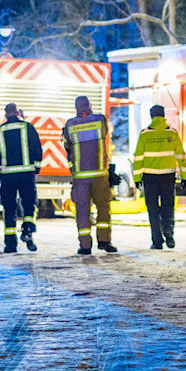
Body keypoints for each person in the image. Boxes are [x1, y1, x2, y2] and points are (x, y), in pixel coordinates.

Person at [63, 95, 116, 255]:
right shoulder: (100, 120)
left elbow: (68, 146)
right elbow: (106, 132)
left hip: (80, 177)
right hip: (100, 174)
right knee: (103, 207)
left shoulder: (70, 124)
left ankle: (85, 246)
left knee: (82, 210)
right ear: (89, 105)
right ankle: (104, 241)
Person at [132, 105, 186, 250]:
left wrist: (137, 179)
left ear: (151, 116)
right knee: (168, 207)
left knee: (153, 209)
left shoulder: (145, 134)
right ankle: (169, 234)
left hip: (149, 178)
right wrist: (184, 177)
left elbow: (138, 158)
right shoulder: (172, 133)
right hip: (168, 177)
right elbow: (181, 157)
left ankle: (157, 241)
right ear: (163, 115)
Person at [0, 103, 43, 253]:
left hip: (7, 177)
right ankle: (27, 231)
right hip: (26, 174)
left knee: (9, 208)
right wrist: (36, 167)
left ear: (6, 114)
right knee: (29, 204)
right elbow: (37, 148)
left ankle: (10, 244)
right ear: (18, 112)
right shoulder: (28, 127)